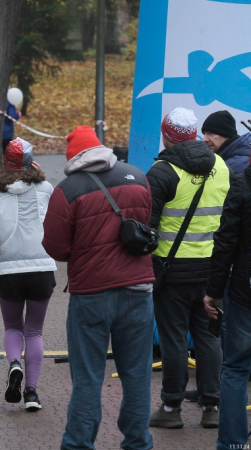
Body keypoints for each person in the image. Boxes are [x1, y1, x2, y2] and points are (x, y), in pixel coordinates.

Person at [42, 125, 155, 450]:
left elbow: (56, 247)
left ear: (73, 157)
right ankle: (137, 442)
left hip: (90, 295)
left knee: (88, 377)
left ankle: (78, 444)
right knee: (137, 375)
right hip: (138, 291)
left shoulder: (67, 190)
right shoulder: (138, 176)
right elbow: (145, 224)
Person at [147, 107, 230, 430]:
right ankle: (212, 408)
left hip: (172, 271)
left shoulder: (162, 171)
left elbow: (146, 229)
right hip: (212, 270)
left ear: (167, 135)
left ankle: (171, 408)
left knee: (174, 341)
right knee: (209, 339)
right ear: (195, 133)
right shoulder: (221, 167)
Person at [0, 138, 56, 410]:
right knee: (34, 331)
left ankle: (14, 364)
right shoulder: (46, 188)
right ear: (32, 161)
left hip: (8, 269)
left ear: (4, 162)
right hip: (42, 267)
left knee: (12, 327)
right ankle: (32, 393)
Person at [203, 165, 251, 450]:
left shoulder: (243, 186)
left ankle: (232, 443)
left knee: (235, 367)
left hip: (245, 289)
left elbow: (225, 242)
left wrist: (214, 291)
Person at [202, 110, 251, 175]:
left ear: (226, 134)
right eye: (204, 134)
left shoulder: (235, 165)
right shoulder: (226, 158)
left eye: (210, 133)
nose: (205, 139)